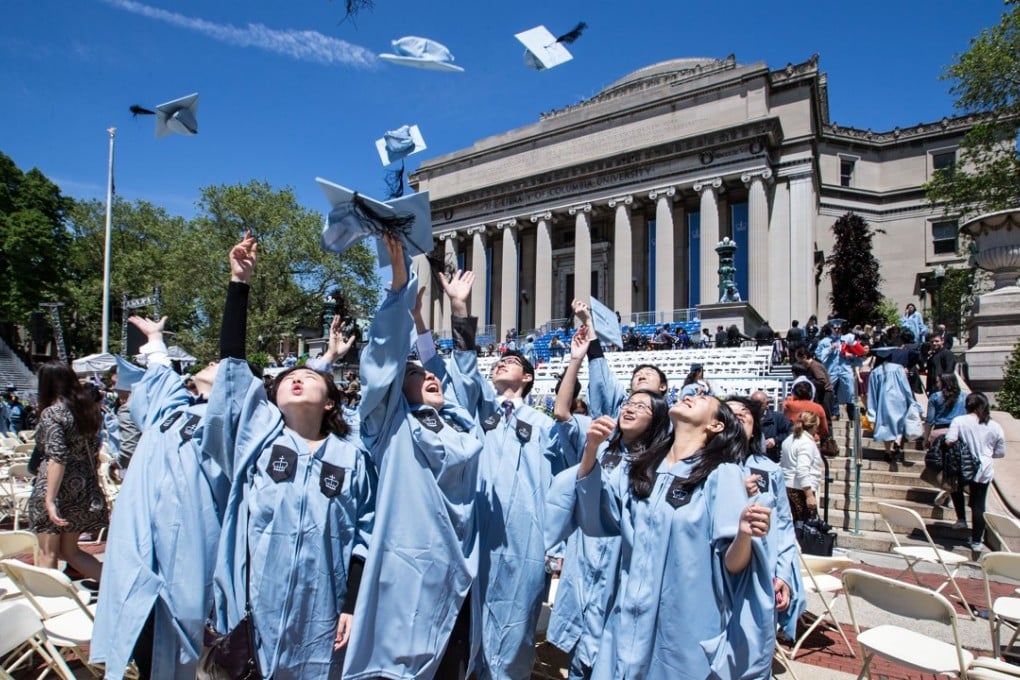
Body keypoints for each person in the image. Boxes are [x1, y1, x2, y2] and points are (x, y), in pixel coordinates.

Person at [553, 395, 774, 679]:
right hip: (625, 622)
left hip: (679, 630)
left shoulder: (723, 475)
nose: (691, 395)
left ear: (716, 426)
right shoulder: (642, 470)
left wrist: (744, 534)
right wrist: (591, 450)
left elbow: (732, 564)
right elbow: (597, 516)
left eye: (704, 398)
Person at [344, 238, 484, 680]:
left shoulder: (463, 427)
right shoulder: (391, 426)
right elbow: (382, 361)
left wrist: (457, 312)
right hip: (403, 573)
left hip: (457, 576)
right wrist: (400, 288)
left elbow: (459, 373)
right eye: (416, 373)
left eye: (428, 372)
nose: (428, 375)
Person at [445, 276, 564, 680]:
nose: (502, 364)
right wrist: (460, 310)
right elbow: (463, 370)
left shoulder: (546, 426)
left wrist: (558, 543)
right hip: (475, 529)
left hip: (525, 537)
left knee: (515, 630)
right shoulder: (478, 412)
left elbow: (564, 488)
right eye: (499, 362)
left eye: (512, 362)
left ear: (528, 378)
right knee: (464, 626)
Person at [546, 324, 671, 679]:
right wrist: (575, 359)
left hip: (623, 571)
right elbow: (561, 411)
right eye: (628, 403)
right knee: (579, 657)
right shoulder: (601, 443)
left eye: (642, 405)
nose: (630, 407)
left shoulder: (663, 464)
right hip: (585, 565)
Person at [725, 395, 804, 645]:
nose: (738, 414)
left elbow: (783, 525)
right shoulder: (700, 467)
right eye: (729, 412)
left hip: (761, 573)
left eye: (744, 413)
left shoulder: (770, 470)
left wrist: (784, 575)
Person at [27, 361, 107, 581]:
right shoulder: (90, 411)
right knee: (70, 551)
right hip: (83, 486)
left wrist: (50, 500)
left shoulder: (52, 413)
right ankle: (118, 589)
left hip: (55, 486)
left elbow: (57, 457)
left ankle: (48, 604)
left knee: (47, 552)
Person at [573, 300, 669, 419]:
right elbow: (600, 377)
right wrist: (588, 322)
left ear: (663, 386)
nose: (641, 376)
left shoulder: (672, 419)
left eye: (649, 374)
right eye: (637, 375)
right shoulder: (619, 411)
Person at [945, 392, 1006, 551]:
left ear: (968, 405)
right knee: (979, 505)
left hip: (962, 465)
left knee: (955, 488)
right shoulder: (994, 426)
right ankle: (977, 540)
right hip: (983, 469)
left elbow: (949, 440)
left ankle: (961, 518)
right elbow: (1000, 452)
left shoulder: (959, 421)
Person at [866, 349, 915, 463]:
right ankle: (897, 443)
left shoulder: (875, 372)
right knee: (899, 423)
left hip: (883, 402)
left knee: (886, 425)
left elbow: (872, 392)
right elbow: (905, 386)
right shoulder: (899, 368)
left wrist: (872, 411)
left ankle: (887, 451)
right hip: (899, 399)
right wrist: (911, 400)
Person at [779, 411, 824, 523]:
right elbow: (802, 470)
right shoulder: (806, 443)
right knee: (806, 527)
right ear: (813, 426)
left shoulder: (788, 440)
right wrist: (809, 495)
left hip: (788, 486)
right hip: (801, 489)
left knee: (794, 524)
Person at [925, 373, 967, 448]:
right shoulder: (965, 397)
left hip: (939, 430)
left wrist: (926, 439)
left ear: (944, 383)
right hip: (959, 431)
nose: (937, 384)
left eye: (938, 382)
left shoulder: (935, 397)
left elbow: (929, 420)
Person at [751, 390, 791, 463]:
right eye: (753, 404)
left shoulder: (778, 418)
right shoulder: (747, 418)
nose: (756, 406)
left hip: (772, 458)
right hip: (751, 458)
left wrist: (775, 440)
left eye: (759, 404)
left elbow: (790, 432)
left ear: (767, 404)